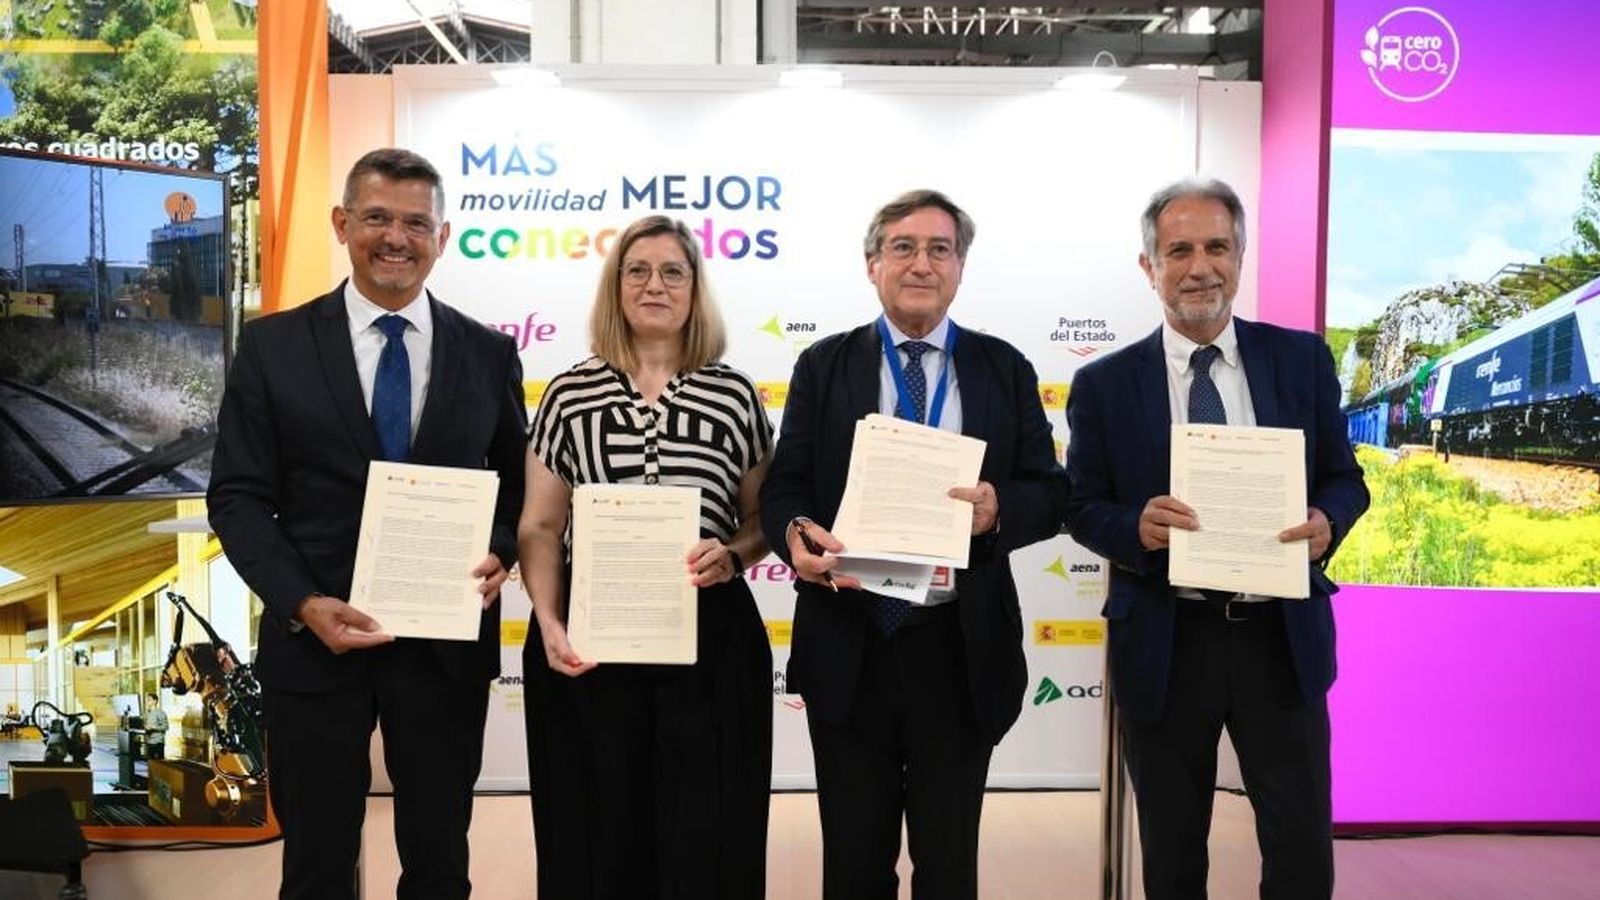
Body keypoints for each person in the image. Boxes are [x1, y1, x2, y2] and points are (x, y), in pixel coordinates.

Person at [207, 147, 527, 900]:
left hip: (443, 648)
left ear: (442, 237)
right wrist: (299, 603)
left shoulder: (488, 353)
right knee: (316, 864)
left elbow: (519, 487)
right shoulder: (273, 346)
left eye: (417, 222)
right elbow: (238, 497)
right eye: (378, 217)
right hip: (313, 644)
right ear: (342, 223)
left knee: (440, 861)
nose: (397, 237)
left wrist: (502, 549)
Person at [1063, 177, 1370, 900]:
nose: (1200, 267)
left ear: (1240, 255)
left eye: (1217, 247)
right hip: (1169, 643)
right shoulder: (1104, 384)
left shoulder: (1300, 360)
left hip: (1280, 641)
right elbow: (1078, 506)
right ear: (1150, 267)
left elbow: (1345, 480)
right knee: (1172, 861)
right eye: (1179, 251)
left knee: (1300, 858)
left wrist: (1329, 522)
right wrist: (1134, 527)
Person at [759, 190, 1065, 899]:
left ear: (960, 267)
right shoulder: (823, 365)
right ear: (872, 265)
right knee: (854, 868)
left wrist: (997, 511)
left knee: (949, 867)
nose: (921, 263)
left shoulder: (1004, 368)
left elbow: (1051, 492)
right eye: (903, 247)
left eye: (939, 248)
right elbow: (786, 487)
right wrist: (795, 536)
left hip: (957, 649)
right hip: (850, 642)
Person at [518, 215, 774, 899]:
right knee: (596, 828)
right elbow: (540, 526)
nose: (654, 284)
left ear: (695, 289)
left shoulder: (735, 395)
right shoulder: (568, 394)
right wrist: (547, 618)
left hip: (710, 637)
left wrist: (735, 554)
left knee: (709, 830)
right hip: (590, 637)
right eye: (637, 270)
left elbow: (761, 520)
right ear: (616, 285)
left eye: (672, 272)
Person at [143, 692, 167, 760]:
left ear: (155, 701)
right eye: (146, 700)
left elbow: (166, 726)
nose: (147, 702)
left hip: (158, 742)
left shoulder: (160, 713)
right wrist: (146, 727)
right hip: (149, 742)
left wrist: (154, 727)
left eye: (149, 700)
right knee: (150, 764)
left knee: (159, 765)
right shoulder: (147, 713)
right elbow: (145, 724)